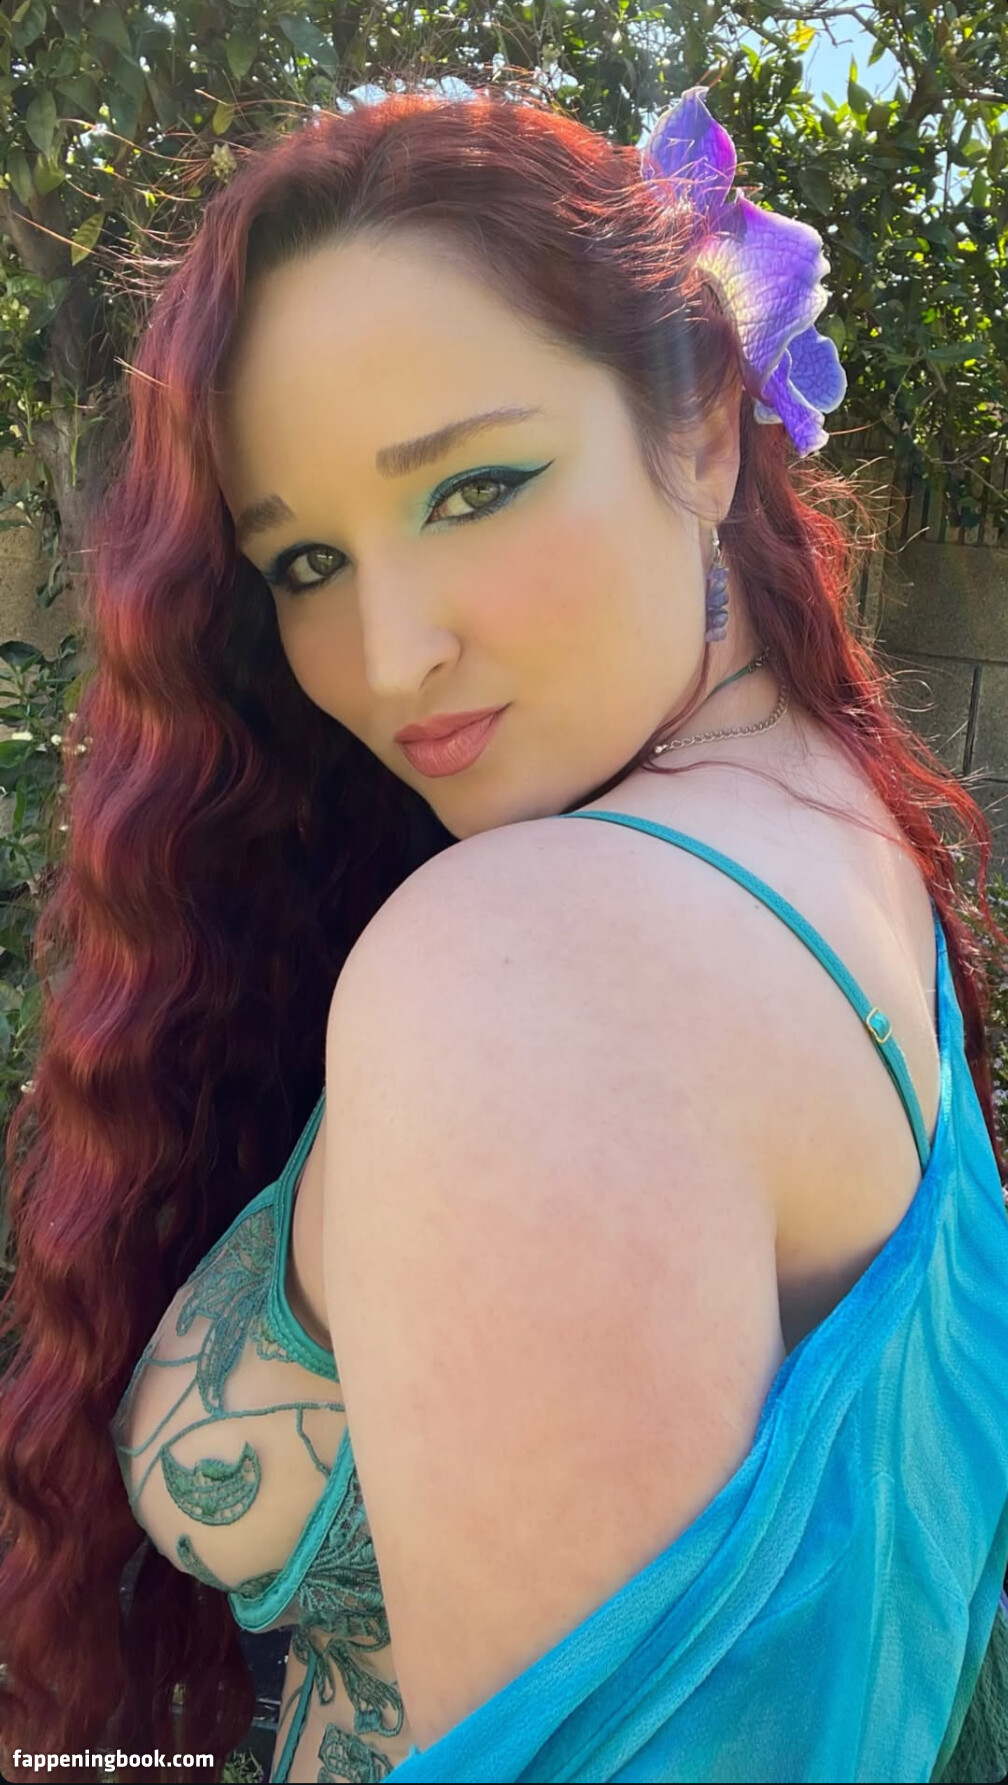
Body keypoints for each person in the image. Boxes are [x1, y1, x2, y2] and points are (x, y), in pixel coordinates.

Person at [0, 75, 1006, 1785]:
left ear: (703, 426)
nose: (390, 657)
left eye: (473, 488)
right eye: (304, 563)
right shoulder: (839, 821)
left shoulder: (529, 965)